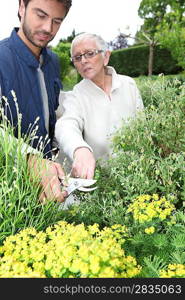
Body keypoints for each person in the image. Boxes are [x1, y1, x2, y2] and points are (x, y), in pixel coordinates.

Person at [0, 0, 72, 202]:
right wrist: (30, 159)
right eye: (41, 15)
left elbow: (55, 115)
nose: (48, 28)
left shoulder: (54, 61)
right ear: (21, 7)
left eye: (57, 21)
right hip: (9, 194)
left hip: (49, 189)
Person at [55, 33, 144, 179]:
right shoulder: (76, 95)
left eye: (90, 54)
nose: (83, 60)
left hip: (138, 175)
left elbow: (143, 125)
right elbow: (66, 124)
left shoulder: (129, 84)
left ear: (106, 56)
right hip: (104, 183)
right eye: (77, 57)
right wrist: (79, 148)